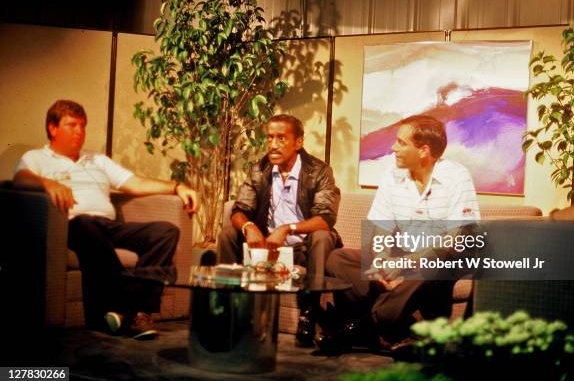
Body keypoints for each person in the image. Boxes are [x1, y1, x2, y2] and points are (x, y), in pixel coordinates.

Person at [13, 100, 198, 339]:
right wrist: (48, 183)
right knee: (87, 225)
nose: (79, 131)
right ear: (53, 128)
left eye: (82, 126)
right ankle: (134, 312)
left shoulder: (97, 160)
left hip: (109, 227)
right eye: (72, 125)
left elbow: (136, 183)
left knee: (165, 231)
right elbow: (20, 179)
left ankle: (131, 312)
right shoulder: (37, 157)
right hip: (73, 226)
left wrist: (177, 187)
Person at [320, 115, 480, 352]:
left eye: (401, 142)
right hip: (404, 254)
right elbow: (381, 228)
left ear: (424, 150)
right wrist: (381, 258)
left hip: (444, 259)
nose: (394, 147)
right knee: (338, 259)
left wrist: (403, 264)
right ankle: (402, 330)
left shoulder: (456, 176)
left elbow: (453, 240)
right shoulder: (392, 176)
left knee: (430, 266)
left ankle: (360, 327)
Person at [217, 114, 343, 346]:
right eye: (269, 138)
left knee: (322, 237)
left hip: (305, 246)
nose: (273, 145)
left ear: (298, 142)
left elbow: (326, 219)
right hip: (269, 247)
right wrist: (248, 226)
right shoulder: (260, 168)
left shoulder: (319, 170)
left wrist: (287, 228)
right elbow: (239, 209)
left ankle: (310, 316)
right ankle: (227, 308)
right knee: (228, 234)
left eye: (281, 138)